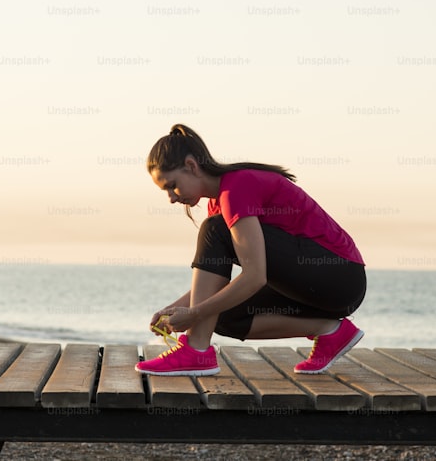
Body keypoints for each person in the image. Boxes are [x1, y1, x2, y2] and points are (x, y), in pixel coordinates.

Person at [135, 124, 367, 376]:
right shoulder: (219, 204)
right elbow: (215, 285)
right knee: (219, 314)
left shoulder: (237, 187)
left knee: (213, 231)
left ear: (191, 166)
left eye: (172, 185)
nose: (171, 197)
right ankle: (330, 330)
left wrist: (193, 315)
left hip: (339, 277)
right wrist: (175, 309)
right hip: (320, 287)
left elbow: (255, 276)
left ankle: (196, 352)